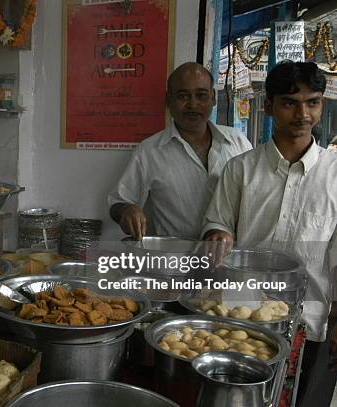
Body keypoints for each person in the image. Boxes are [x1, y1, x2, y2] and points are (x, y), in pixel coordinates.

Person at [202, 61, 337, 406]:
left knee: (303, 400)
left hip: (309, 320)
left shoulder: (334, 175)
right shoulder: (241, 169)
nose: (303, 113)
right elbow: (218, 222)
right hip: (242, 313)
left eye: (313, 102)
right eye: (290, 102)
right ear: (269, 105)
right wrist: (217, 235)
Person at [108, 62, 252, 240]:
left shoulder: (238, 142)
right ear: (168, 100)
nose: (193, 104)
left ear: (213, 97)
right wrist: (126, 210)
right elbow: (118, 202)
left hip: (230, 258)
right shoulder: (149, 151)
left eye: (201, 95)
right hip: (175, 261)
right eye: (183, 96)